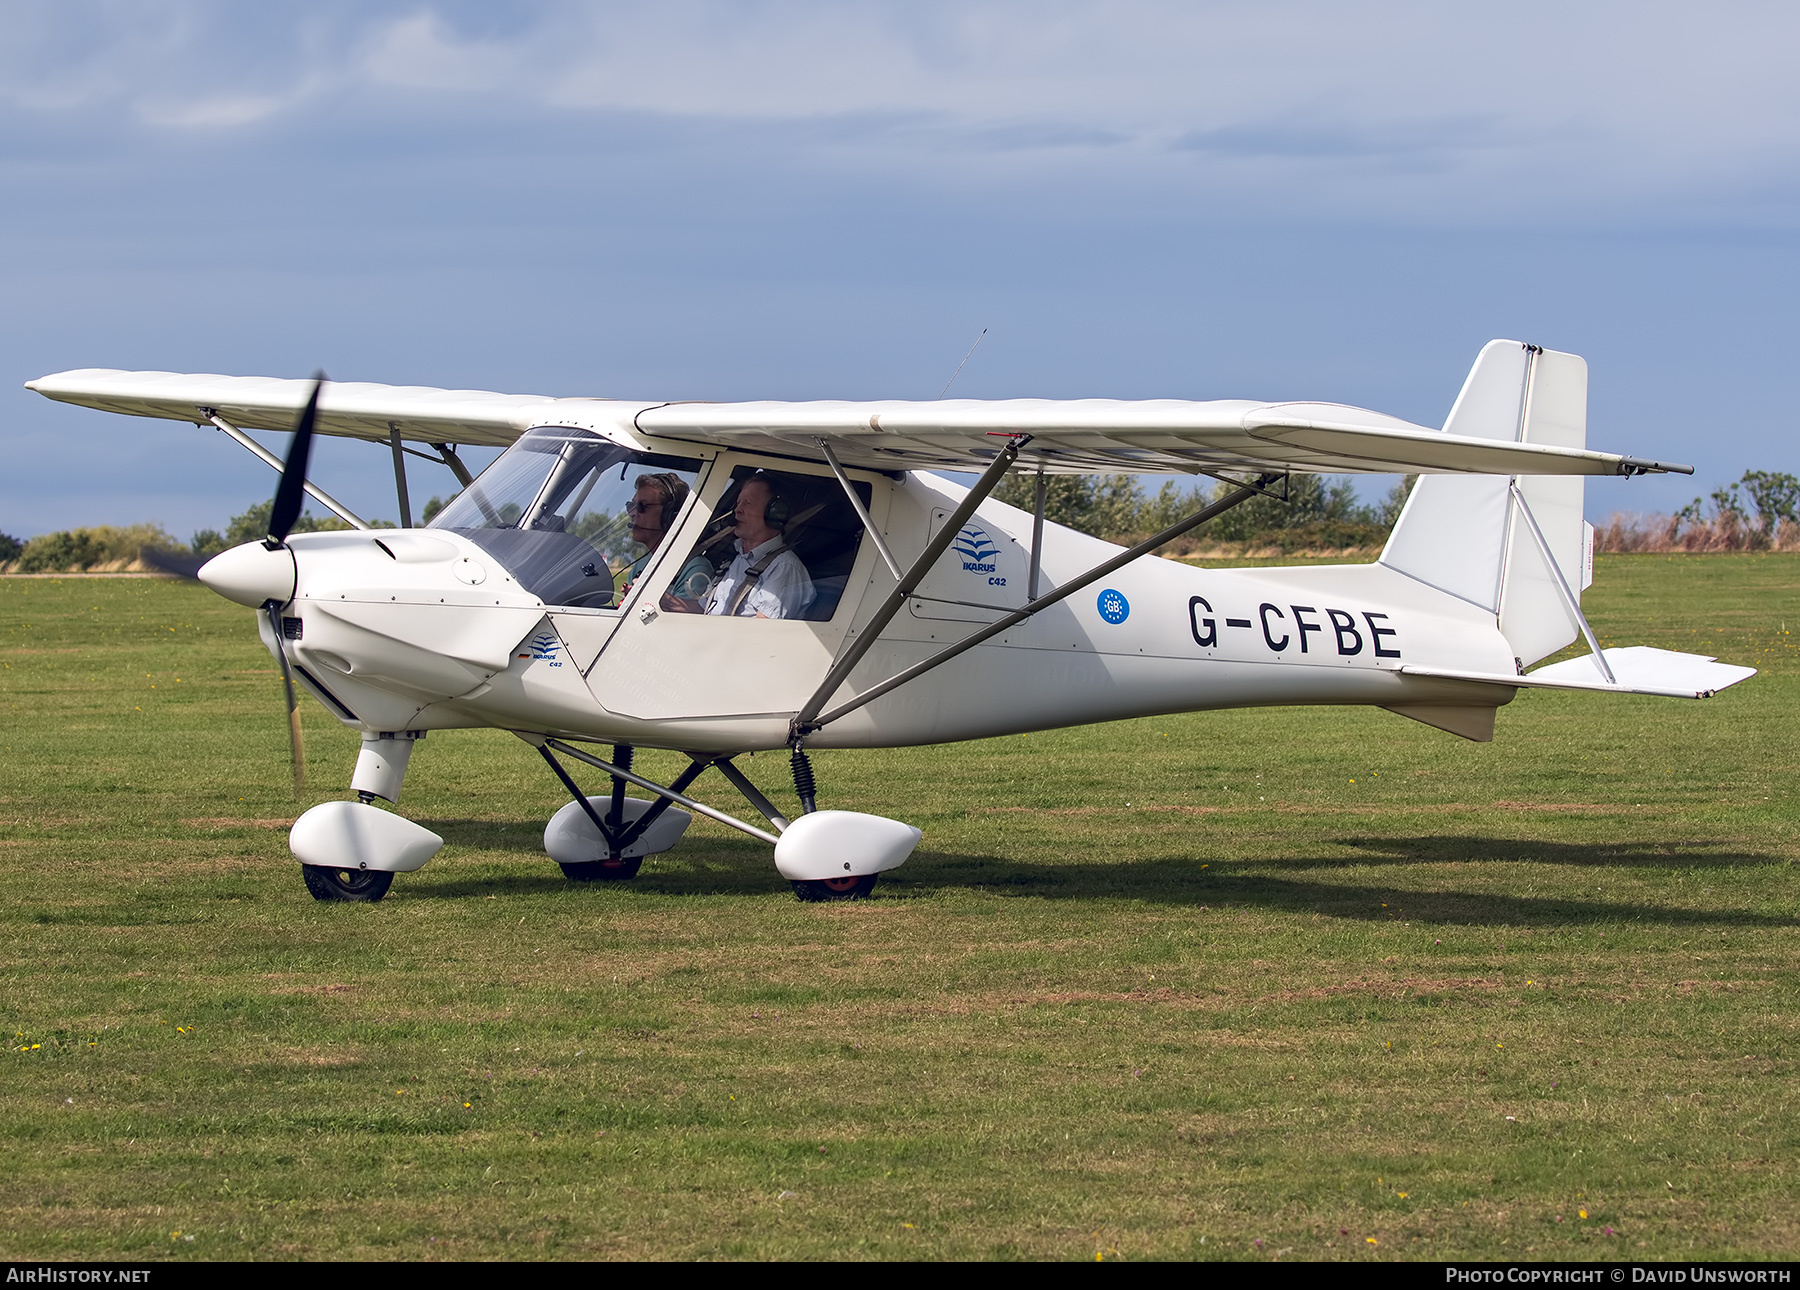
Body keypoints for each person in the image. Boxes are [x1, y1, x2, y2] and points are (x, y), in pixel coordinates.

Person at [671, 475, 813, 619]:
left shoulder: (784, 567)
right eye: (738, 503)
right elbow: (701, 609)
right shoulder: (738, 560)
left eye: (748, 503)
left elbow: (760, 634)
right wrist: (663, 601)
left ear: (775, 513)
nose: (738, 510)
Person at [618, 473, 710, 600]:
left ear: (669, 515)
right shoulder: (640, 567)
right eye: (630, 506)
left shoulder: (695, 569)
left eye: (641, 506)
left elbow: (682, 619)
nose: (632, 513)